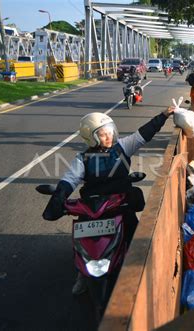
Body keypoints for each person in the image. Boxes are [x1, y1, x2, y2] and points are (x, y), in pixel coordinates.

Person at [42, 107, 174, 295]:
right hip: (93, 206)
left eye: (110, 132)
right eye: (103, 134)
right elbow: (69, 180)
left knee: (138, 237)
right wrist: (58, 199)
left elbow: (144, 133)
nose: (109, 137)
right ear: (91, 137)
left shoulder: (123, 146)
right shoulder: (82, 159)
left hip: (119, 203)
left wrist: (163, 115)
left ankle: (144, 272)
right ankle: (82, 272)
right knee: (81, 238)